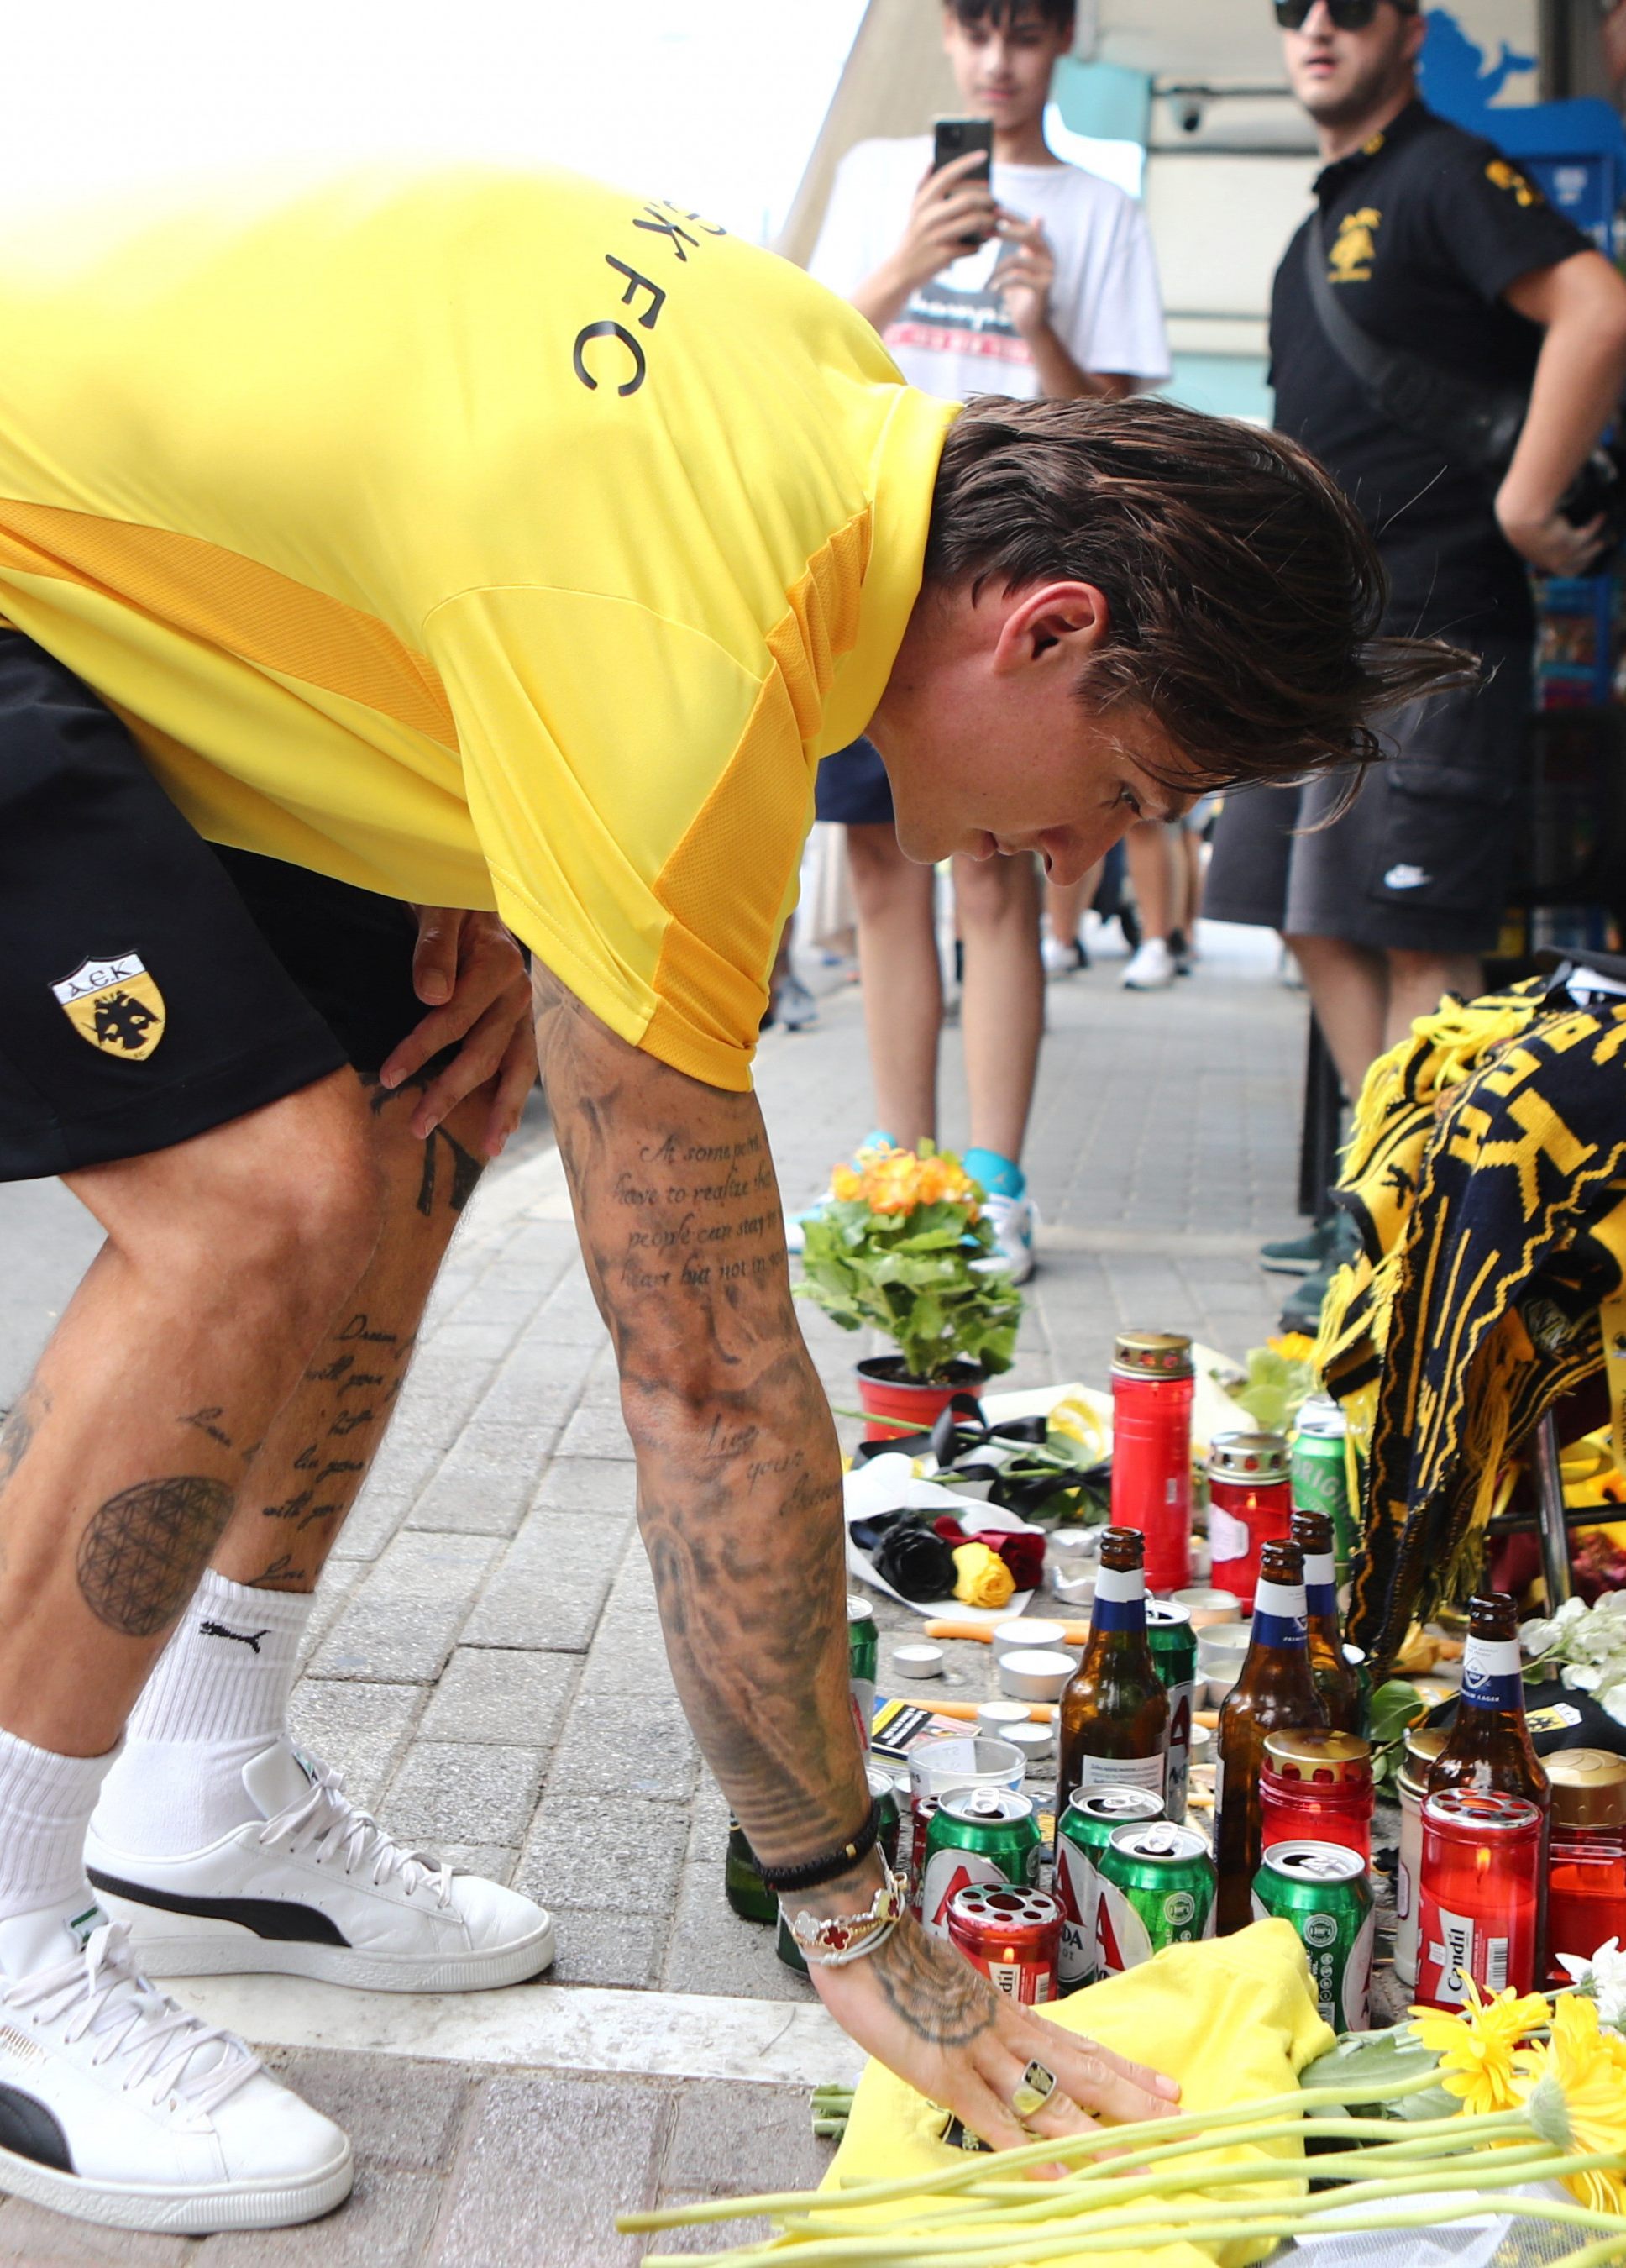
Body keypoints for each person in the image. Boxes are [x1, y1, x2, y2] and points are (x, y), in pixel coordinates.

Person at [0, 164, 1461, 2232]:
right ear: (1046, 623)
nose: (1070, 859)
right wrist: (860, 1918)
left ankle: (200, 1778)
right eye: (1124, 793)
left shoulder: (842, 405)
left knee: (427, 1106)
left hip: (115, 564)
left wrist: (490, 861)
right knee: (261, 1199)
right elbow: (703, 1370)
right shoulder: (689, 651)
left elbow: (438, 510)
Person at [1201, 0, 1626, 1326]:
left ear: (1412, 28)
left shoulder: (1450, 171)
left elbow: (1601, 312)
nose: (1318, 26)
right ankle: (1381, 1199)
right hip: (1317, 637)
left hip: (1440, 628)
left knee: (1417, 941)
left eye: (1352, 6)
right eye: (1294, 9)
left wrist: (1528, 505)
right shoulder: (1312, 230)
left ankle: (1422, 1245)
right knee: (1313, 913)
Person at [800, 0, 1172, 1273]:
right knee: (880, 871)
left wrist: (1040, 323)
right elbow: (806, 362)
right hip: (869, 565)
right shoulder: (871, 182)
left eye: (1022, 37)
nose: (996, 64)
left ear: (1061, 43)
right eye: (976, 34)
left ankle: (996, 1180)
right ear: (950, 41)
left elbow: (1118, 447)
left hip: (1017, 587)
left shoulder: (1100, 212)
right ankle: (899, 1171)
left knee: (1000, 870)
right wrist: (907, 256)